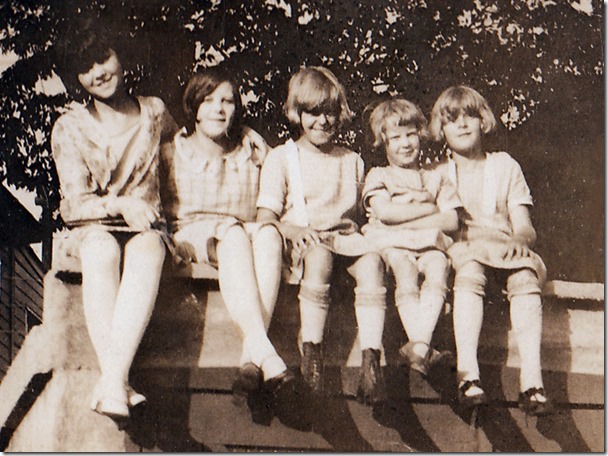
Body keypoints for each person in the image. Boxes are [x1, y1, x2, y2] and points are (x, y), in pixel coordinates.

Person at [51, 23, 177, 420]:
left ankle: (111, 384)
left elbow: (186, 158)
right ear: (76, 78)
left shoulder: (155, 111)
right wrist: (120, 205)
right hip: (92, 228)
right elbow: (73, 206)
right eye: (84, 67)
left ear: (121, 55)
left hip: (147, 228)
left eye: (103, 58)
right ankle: (117, 381)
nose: (98, 72)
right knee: (103, 249)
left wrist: (244, 138)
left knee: (148, 248)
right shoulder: (69, 128)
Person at [159, 67, 294, 408]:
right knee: (233, 235)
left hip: (242, 230)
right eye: (208, 101)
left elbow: (278, 194)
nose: (219, 109)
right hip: (193, 231)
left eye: (227, 101)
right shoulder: (172, 153)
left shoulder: (251, 147)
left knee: (268, 235)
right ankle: (264, 351)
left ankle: (253, 358)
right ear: (194, 107)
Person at [257, 66, 387, 405]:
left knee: (373, 262)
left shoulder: (352, 160)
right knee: (320, 256)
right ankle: (311, 352)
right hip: (308, 244)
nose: (323, 121)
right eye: (313, 113)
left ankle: (372, 360)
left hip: (347, 242)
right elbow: (266, 218)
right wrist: (294, 229)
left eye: (330, 112)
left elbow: (360, 219)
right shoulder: (282, 158)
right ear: (297, 114)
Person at [429, 85, 553, 416]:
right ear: (441, 130)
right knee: (469, 269)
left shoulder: (504, 165)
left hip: (502, 246)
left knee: (525, 274)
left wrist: (519, 241)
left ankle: (532, 381)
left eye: (470, 115)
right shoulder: (437, 173)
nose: (462, 124)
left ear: (483, 121)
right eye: (452, 119)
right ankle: (467, 376)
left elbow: (525, 226)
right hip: (464, 249)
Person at [362, 99, 462, 376]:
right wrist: (429, 209)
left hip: (430, 243)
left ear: (420, 133)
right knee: (405, 271)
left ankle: (418, 346)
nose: (405, 143)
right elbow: (385, 213)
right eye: (395, 137)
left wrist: (423, 216)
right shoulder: (380, 175)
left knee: (439, 267)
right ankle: (421, 342)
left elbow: (451, 219)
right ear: (383, 142)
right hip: (392, 242)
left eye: (410, 134)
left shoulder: (436, 176)